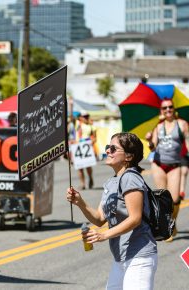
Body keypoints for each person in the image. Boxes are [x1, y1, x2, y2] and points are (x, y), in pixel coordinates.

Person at [67, 132, 157, 289]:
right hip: (120, 257)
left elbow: (135, 218)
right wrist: (80, 202)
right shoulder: (111, 182)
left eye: (113, 148)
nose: (108, 150)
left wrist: (103, 235)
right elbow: (99, 218)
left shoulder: (131, 177)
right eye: (108, 147)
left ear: (128, 156)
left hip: (139, 256)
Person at [145, 98, 188, 241]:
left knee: (175, 199)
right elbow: (153, 147)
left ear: (173, 108)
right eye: (164, 108)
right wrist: (150, 140)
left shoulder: (182, 124)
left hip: (174, 165)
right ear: (161, 111)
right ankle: (167, 229)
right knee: (163, 199)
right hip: (159, 164)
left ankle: (172, 222)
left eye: (170, 107)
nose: (168, 110)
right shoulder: (159, 127)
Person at [75, 110, 96, 189]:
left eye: (87, 116)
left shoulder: (92, 126)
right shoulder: (78, 124)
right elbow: (71, 117)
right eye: (84, 116)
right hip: (78, 147)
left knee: (88, 166)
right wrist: (71, 105)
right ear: (80, 117)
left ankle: (90, 178)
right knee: (79, 167)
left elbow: (95, 138)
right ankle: (82, 183)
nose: (86, 118)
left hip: (87, 147)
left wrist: (91, 142)